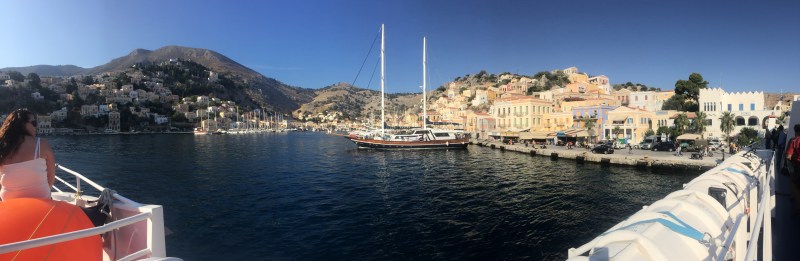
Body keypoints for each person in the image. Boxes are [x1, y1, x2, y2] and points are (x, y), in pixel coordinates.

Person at [0, 109, 55, 201]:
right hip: (41, 200)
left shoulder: (2, 147)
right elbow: (51, 176)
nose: (35, 126)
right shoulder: (41, 144)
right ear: (22, 125)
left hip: (8, 201)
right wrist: (44, 192)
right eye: (33, 123)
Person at [784, 124, 800, 217]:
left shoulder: (794, 140)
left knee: (796, 187)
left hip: (798, 167)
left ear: (795, 131)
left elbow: (788, 156)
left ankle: (798, 208)